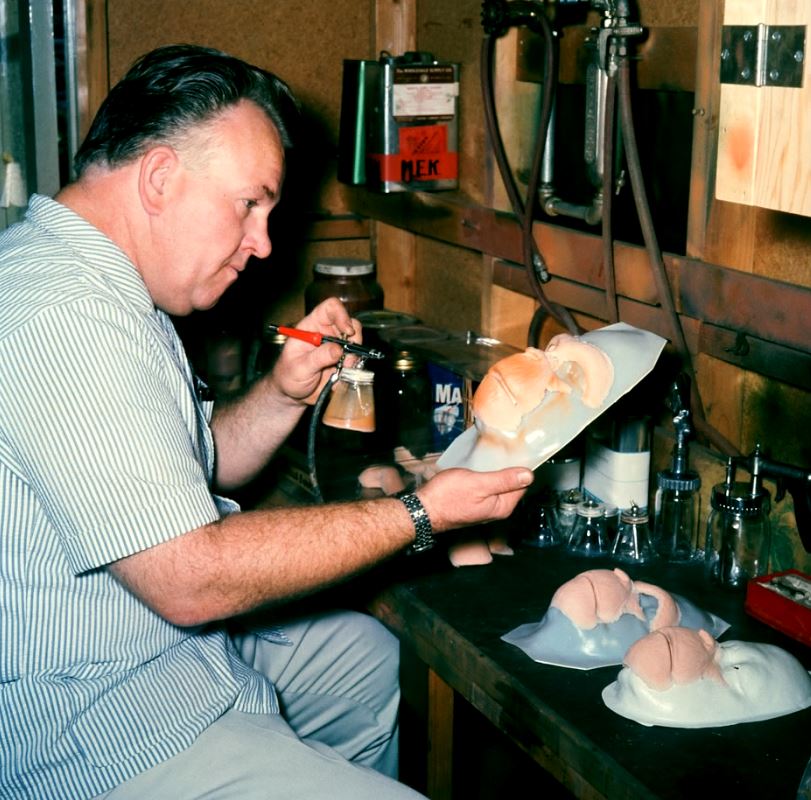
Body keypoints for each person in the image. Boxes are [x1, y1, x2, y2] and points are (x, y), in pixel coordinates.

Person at [0, 44, 533, 800]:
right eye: (249, 204)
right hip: (93, 723)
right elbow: (190, 579)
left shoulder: (99, 281)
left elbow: (189, 469)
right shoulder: (68, 314)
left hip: (158, 648)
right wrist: (421, 513)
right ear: (159, 177)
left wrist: (284, 393)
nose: (263, 243)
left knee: (363, 660)